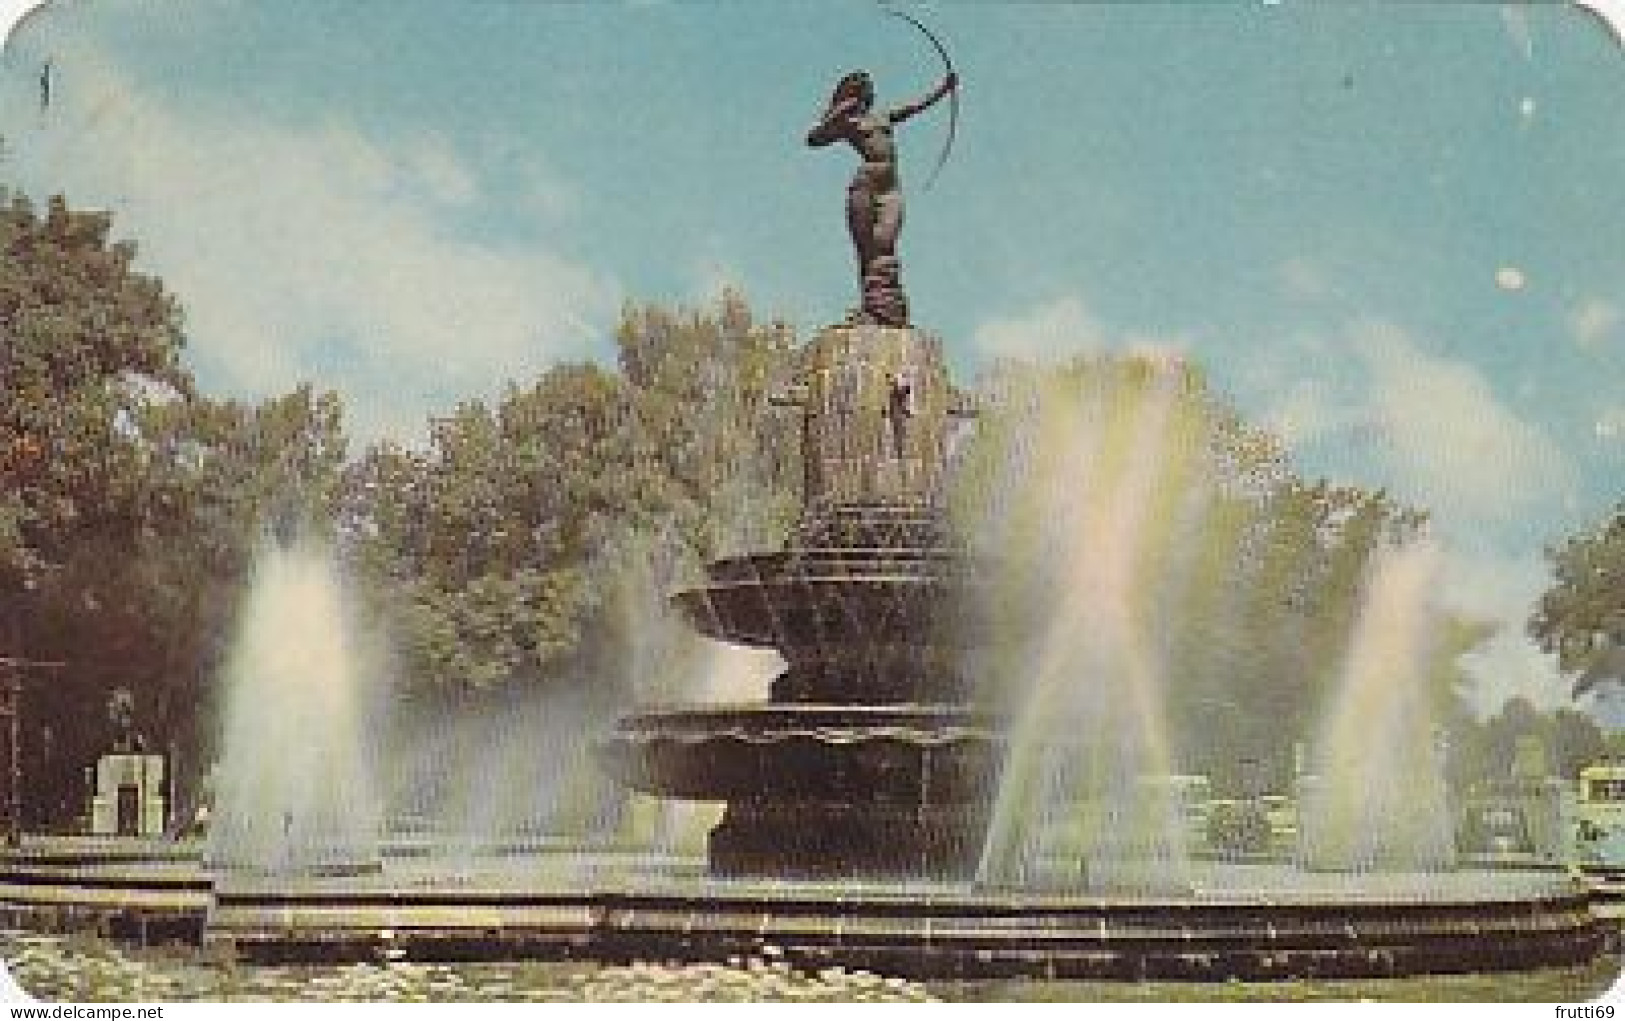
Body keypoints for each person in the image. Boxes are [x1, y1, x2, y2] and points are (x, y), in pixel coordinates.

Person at [807, 69, 957, 327]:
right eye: (863, 89)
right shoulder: (849, 123)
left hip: (891, 187)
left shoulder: (883, 116)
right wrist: (840, 112)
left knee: (885, 240)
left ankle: (888, 306)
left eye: (869, 89)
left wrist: (943, 89)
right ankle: (874, 307)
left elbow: (915, 106)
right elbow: (814, 138)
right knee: (868, 248)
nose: (869, 93)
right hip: (866, 183)